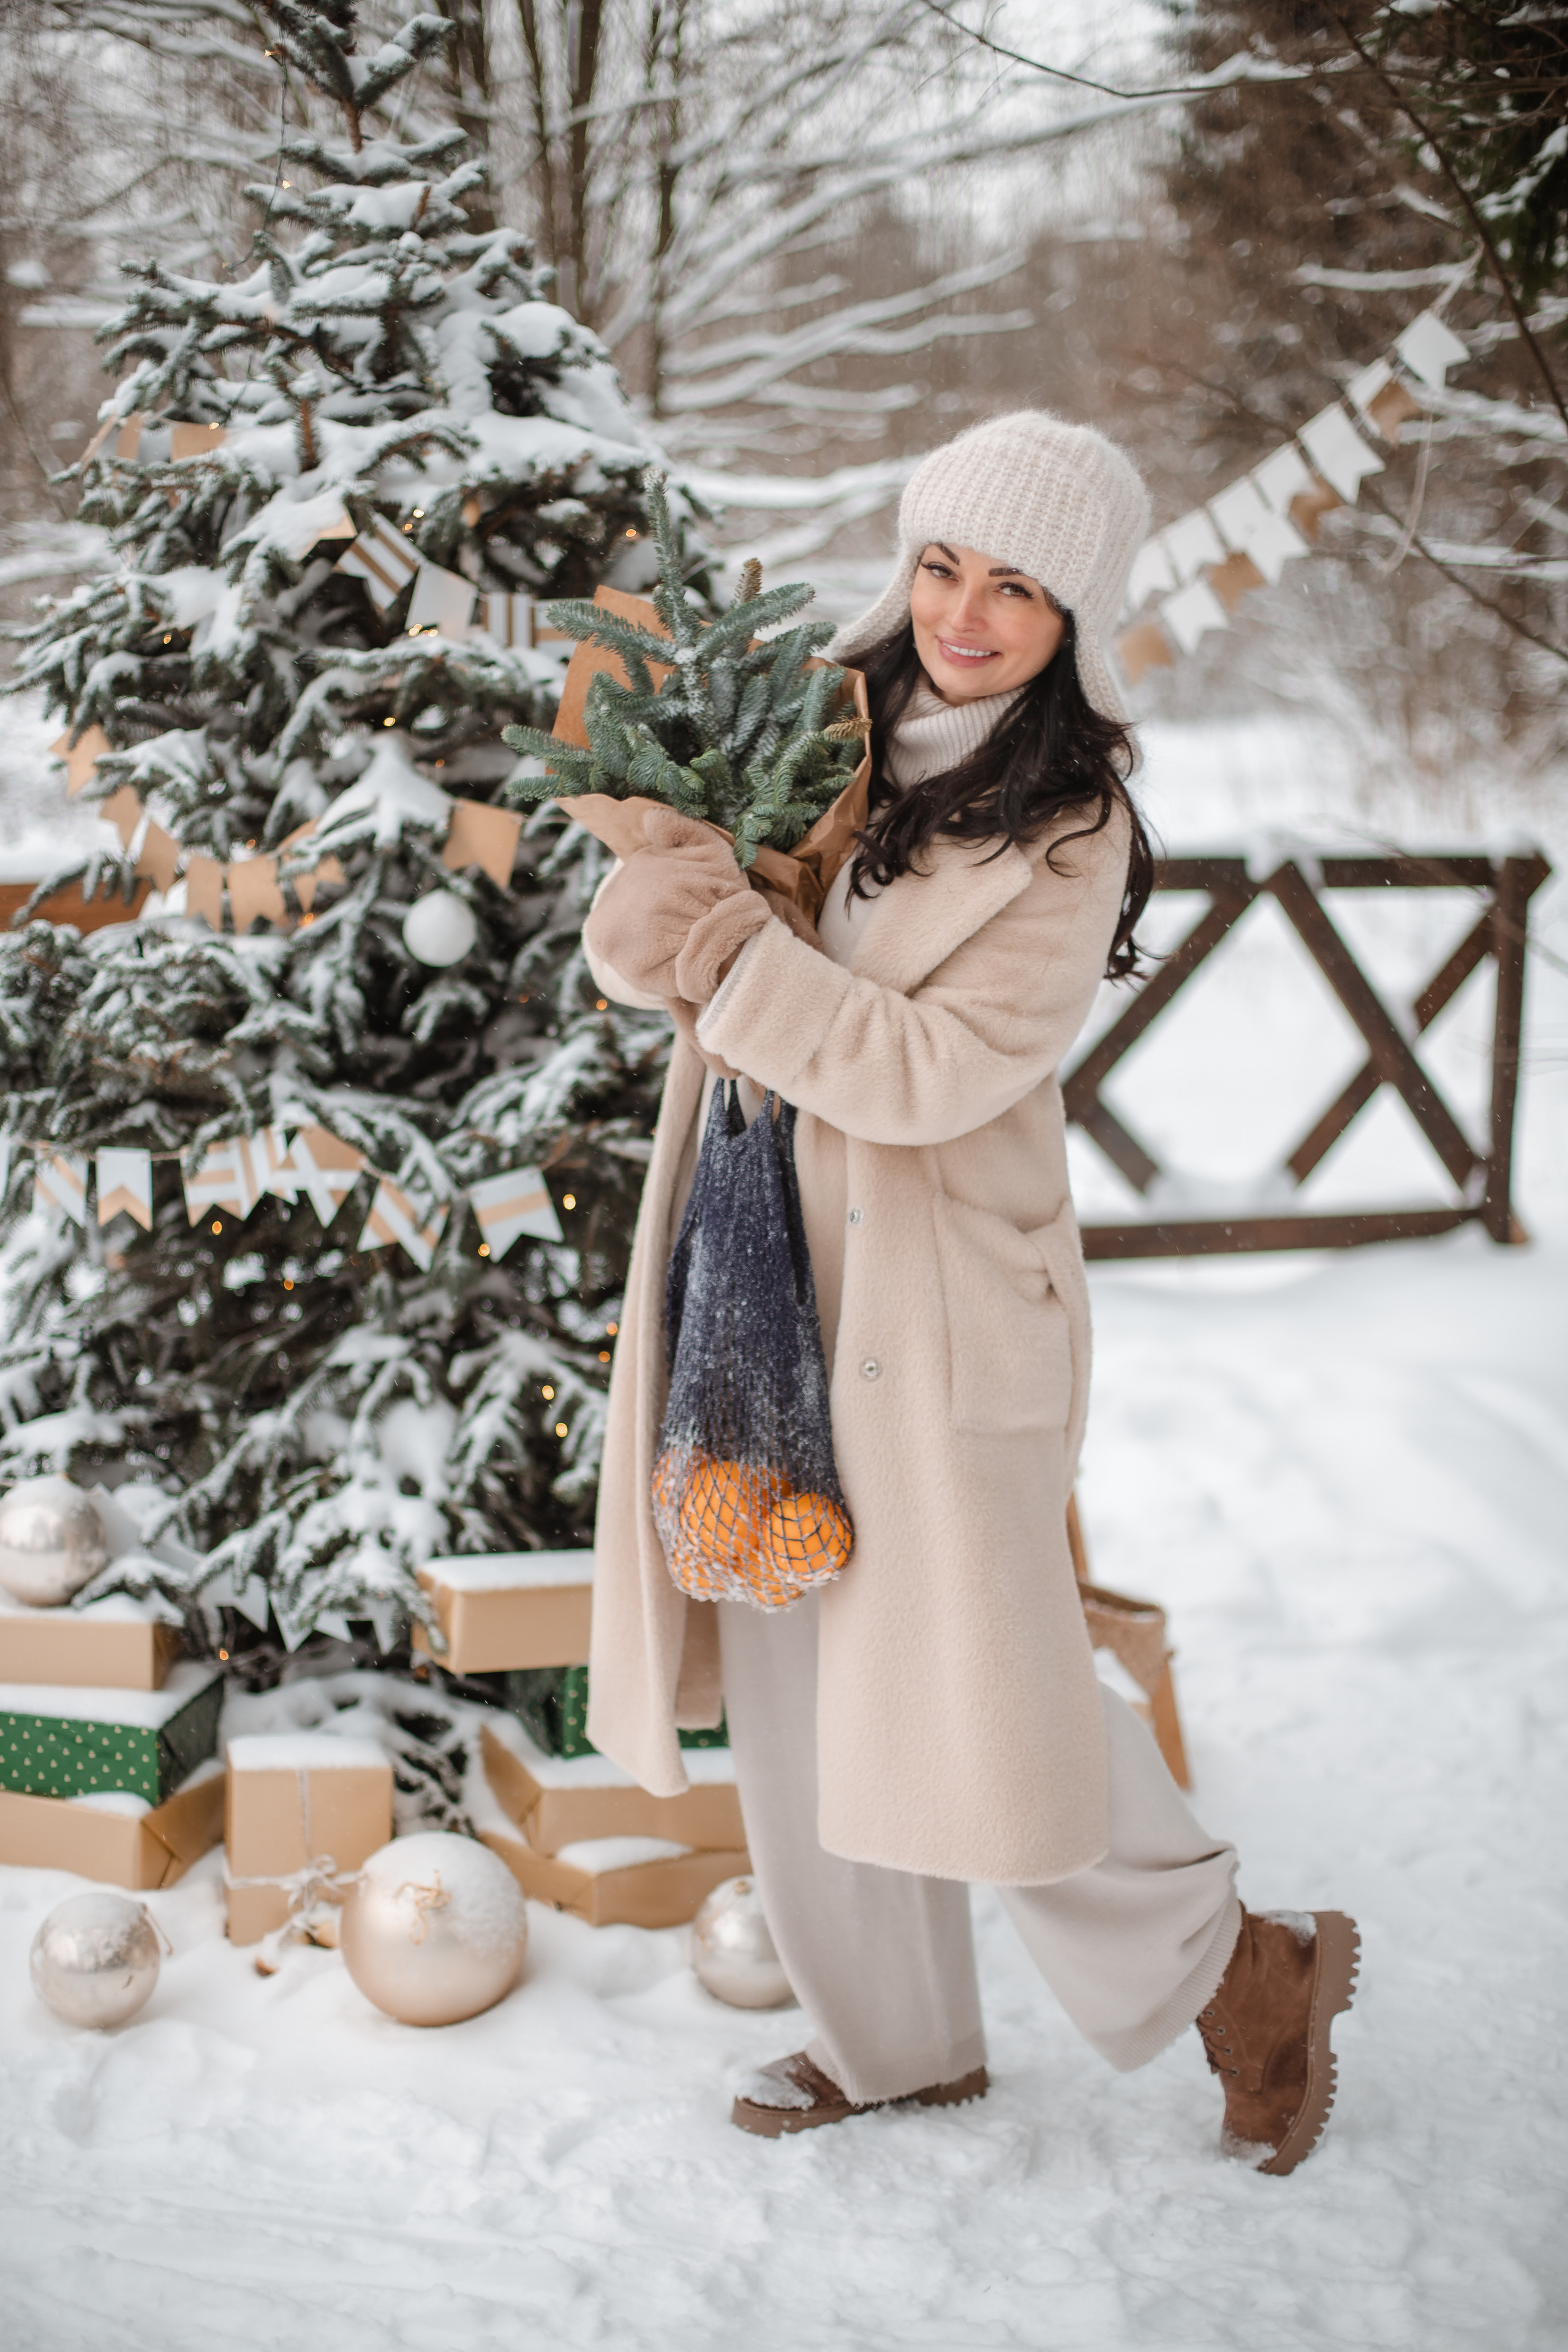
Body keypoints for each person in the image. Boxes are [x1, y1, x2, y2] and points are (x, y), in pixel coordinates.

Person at [580, 412, 1358, 2177]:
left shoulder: (1067, 834)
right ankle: (894, 2042)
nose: (967, 611)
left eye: (1018, 586)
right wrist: (657, 898)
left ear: (1074, 617)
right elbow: (646, 945)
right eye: (944, 563)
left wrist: (723, 948)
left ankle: (1246, 1970)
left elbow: (923, 1073)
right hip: (753, 1251)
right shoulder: (816, 724)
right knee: (790, 1656)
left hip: (934, 1305)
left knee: (979, 1680)